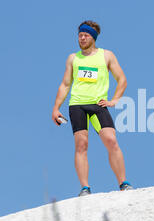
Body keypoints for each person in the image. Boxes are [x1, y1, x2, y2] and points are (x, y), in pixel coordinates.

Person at [52, 20, 133, 196]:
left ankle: (123, 183)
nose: (82, 38)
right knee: (81, 145)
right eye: (80, 35)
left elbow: (122, 80)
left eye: (86, 35)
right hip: (77, 105)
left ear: (93, 38)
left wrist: (114, 100)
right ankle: (85, 188)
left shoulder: (107, 55)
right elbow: (65, 84)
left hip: (98, 104)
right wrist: (56, 107)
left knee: (111, 141)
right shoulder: (73, 58)